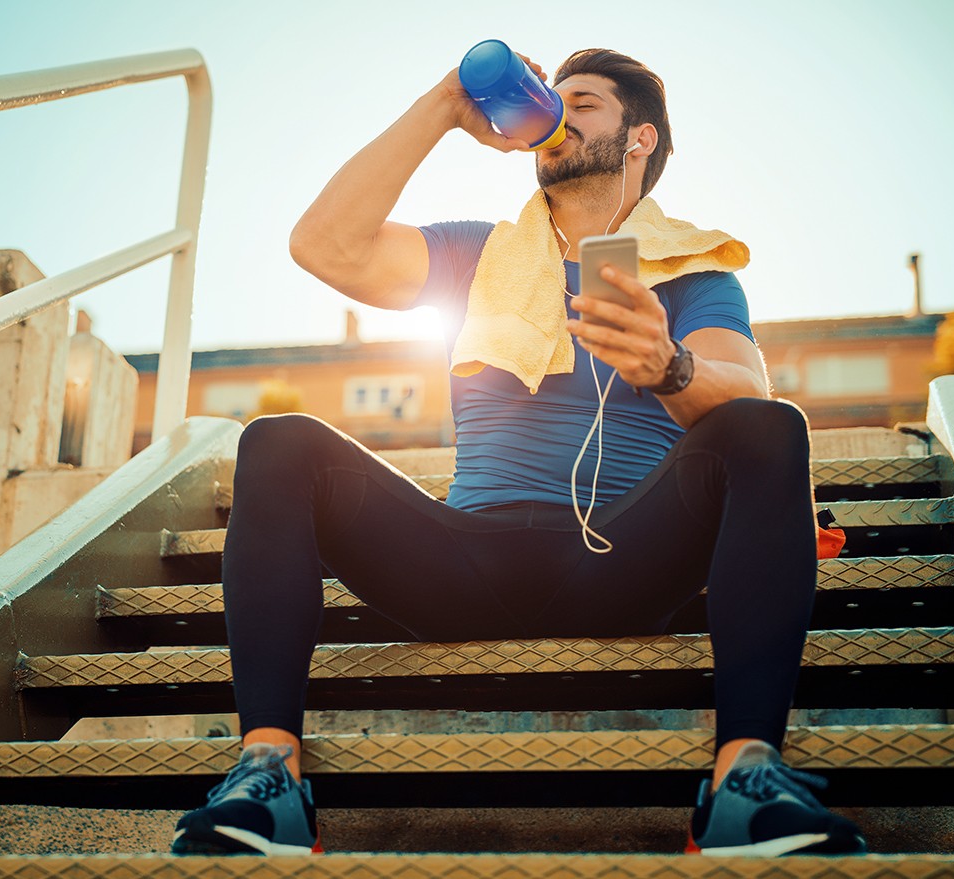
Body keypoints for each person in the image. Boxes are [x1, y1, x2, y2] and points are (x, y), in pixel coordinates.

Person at [170, 47, 866, 858]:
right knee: (278, 442)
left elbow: (750, 406)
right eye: (549, 100)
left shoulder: (694, 275)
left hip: (621, 559)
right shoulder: (481, 252)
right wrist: (442, 105)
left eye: (585, 103)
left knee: (770, 424)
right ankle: (269, 776)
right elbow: (325, 245)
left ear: (639, 138)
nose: (558, 114)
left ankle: (746, 780)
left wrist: (668, 367)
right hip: (463, 560)